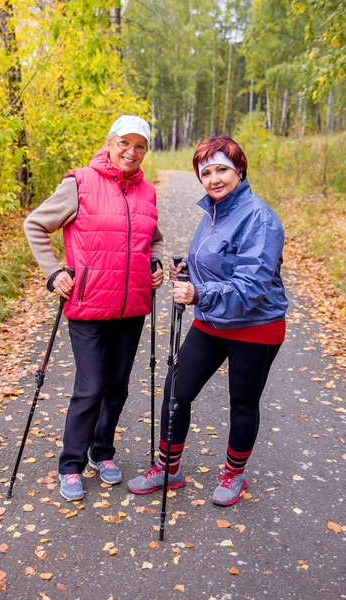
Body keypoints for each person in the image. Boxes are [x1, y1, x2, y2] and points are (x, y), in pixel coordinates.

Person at [128, 135, 288, 506]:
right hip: (213, 320)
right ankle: (169, 469)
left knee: (243, 403)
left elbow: (252, 286)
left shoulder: (260, 218)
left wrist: (199, 294)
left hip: (256, 324)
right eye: (207, 172)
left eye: (222, 170)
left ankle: (234, 475)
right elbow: (217, 262)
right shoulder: (214, 212)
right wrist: (188, 268)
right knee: (176, 390)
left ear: (239, 170)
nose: (214, 179)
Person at [24, 115, 164, 502]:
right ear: (109, 142)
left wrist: (155, 265)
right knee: (90, 388)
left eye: (140, 146)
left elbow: (154, 238)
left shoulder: (147, 192)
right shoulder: (80, 183)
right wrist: (53, 273)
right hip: (87, 306)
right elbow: (35, 225)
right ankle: (71, 464)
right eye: (124, 143)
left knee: (117, 387)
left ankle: (102, 453)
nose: (131, 152)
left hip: (132, 307)